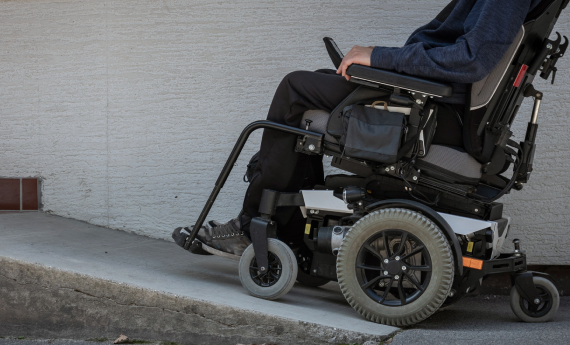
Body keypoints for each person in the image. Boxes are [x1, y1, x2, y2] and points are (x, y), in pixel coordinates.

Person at [173, 0, 544, 257]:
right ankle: (278, 228)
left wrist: (380, 58)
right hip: (444, 109)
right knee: (316, 86)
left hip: (437, 117)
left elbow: (469, 61)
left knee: (297, 89)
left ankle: (252, 226)